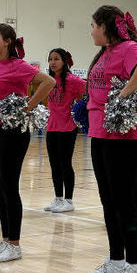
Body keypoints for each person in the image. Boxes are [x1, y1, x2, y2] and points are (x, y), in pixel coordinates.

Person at [82, 5, 137, 273]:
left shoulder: (128, 48)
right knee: (108, 200)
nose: (90, 31)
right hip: (100, 132)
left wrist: (125, 93)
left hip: (125, 136)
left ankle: (134, 266)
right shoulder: (104, 53)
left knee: (124, 202)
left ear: (106, 26)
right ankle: (116, 260)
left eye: (93, 25)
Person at [0, 24, 56, 263]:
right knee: (0, 187)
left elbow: (48, 82)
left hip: (12, 132)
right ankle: (5, 240)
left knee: (9, 187)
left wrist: (27, 107)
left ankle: (14, 243)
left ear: (8, 41)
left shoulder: (18, 65)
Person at [43, 48, 86, 214]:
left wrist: (80, 109)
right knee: (54, 164)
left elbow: (88, 93)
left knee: (65, 163)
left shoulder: (73, 80)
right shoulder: (49, 80)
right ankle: (58, 198)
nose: (52, 62)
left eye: (56, 59)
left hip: (68, 128)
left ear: (64, 61)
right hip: (52, 127)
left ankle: (69, 200)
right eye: (50, 59)